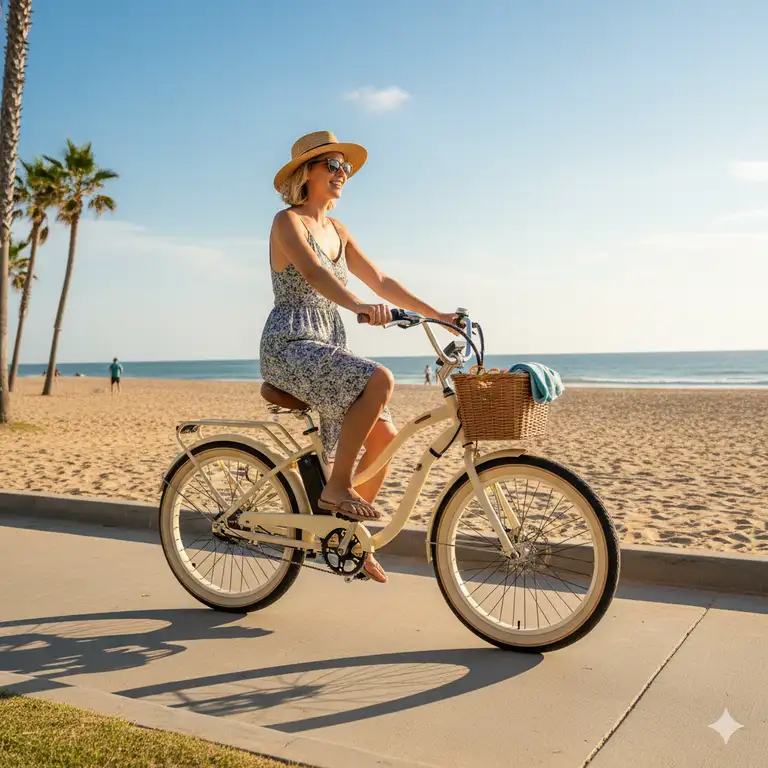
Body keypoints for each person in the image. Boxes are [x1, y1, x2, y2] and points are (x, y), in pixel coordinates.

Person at [260, 131, 457, 583]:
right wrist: (358, 306)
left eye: (344, 166)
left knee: (386, 438)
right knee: (380, 378)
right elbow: (312, 274)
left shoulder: (339, 231)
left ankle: (343, 536)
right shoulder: (286, 222)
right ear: (305, 173)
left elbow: (382, 280)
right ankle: (336, 487)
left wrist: (437, 314)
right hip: (291, 343)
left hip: (328, 342)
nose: (341, 173)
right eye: (332, 164)